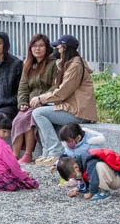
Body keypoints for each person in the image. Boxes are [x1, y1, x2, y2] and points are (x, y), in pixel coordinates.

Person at [30, 34, 98, 166]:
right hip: (70, 107)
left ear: (65, 48)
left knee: (38, 113)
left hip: (78, 112)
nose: (55, 49)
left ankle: (56, 151)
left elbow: (62, 92)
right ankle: (47, 153)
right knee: (39, 110)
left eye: (58, 47)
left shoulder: (75, 66)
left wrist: (41, 98)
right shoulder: (67, 63)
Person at [11, 33, 56, 163]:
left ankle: (28, 154)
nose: (37, 49)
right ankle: (15, 155)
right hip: (30, 102)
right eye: (34, 46)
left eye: (41, 46)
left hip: (45, 103)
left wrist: (42, 99)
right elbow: (23, 87)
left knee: (29, 120)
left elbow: (56, 87)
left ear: (47, 48)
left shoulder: (53, 64)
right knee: (18, 119)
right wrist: (23, 102)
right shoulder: (28, 64)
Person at [56, 148, 120, 200]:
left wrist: (90, 193)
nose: (76, 178)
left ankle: (104, 191)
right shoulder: (80, 165)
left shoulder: (89, 161)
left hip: (117, 178)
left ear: (75, 167)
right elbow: (87, 181)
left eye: (74, 176)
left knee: (99, 166)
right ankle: (101, 190)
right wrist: (77, 189)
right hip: (111, 178)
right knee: (92, 172)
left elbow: (93, 179)